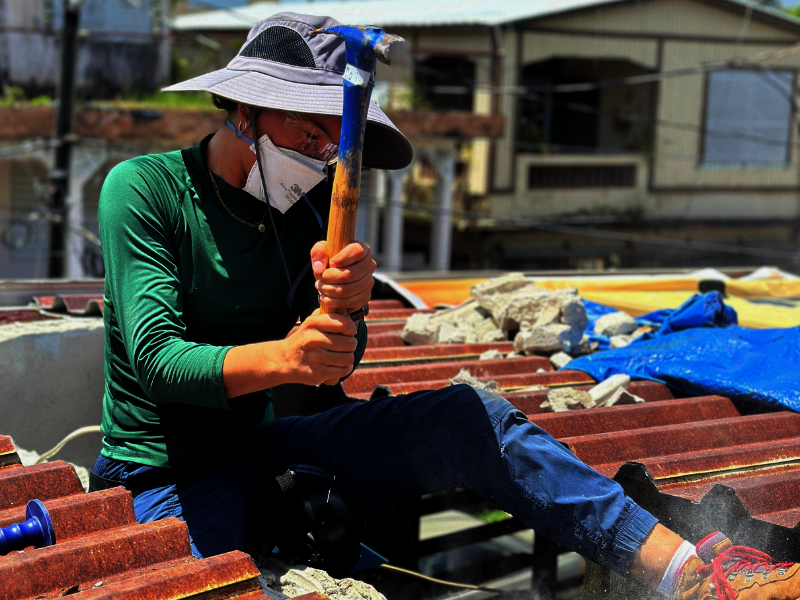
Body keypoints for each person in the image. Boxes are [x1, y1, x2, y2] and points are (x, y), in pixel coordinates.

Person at [90, 12, 800, 600]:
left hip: (263, 447)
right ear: (243, 106)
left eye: (334, 142)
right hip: (165, 473)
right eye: (310, 130)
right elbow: (158, 363)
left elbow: (327, 369)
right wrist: (288, 354)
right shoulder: (144, 189)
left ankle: (692, 577)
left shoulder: (303, 214)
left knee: (471, 418)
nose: (320, 154)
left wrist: (351, 318)